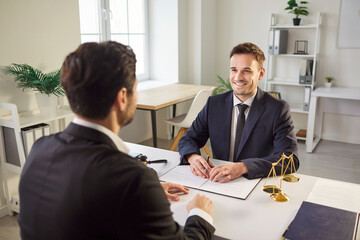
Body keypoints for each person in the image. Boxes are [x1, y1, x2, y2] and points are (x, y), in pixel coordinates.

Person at [18, 41, 215, 239]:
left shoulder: (39, 149)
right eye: (135, 90)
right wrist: (200, 214)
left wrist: (146, 195)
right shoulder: (134, 179)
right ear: (122, 97)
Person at [178, 42, 299, 183]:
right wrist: (192, 157)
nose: (238, 77)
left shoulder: (277, 109)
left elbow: (290, 159)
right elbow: (188, 139)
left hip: (253, 181)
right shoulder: (214, 104)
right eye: (234, 70)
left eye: (247, 70)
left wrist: (243, 167)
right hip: (216, 181)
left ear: (260, 73)